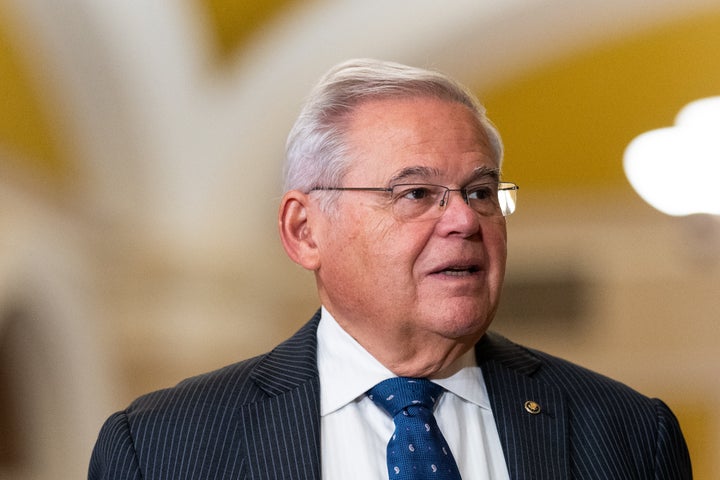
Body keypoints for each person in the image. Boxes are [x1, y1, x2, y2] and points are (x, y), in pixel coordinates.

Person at [88, 58, 692, 479]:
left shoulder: (628, 434)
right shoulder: (163, 447)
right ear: (305, 231)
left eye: (480, 191)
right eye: (416, 194)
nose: (463, 220)